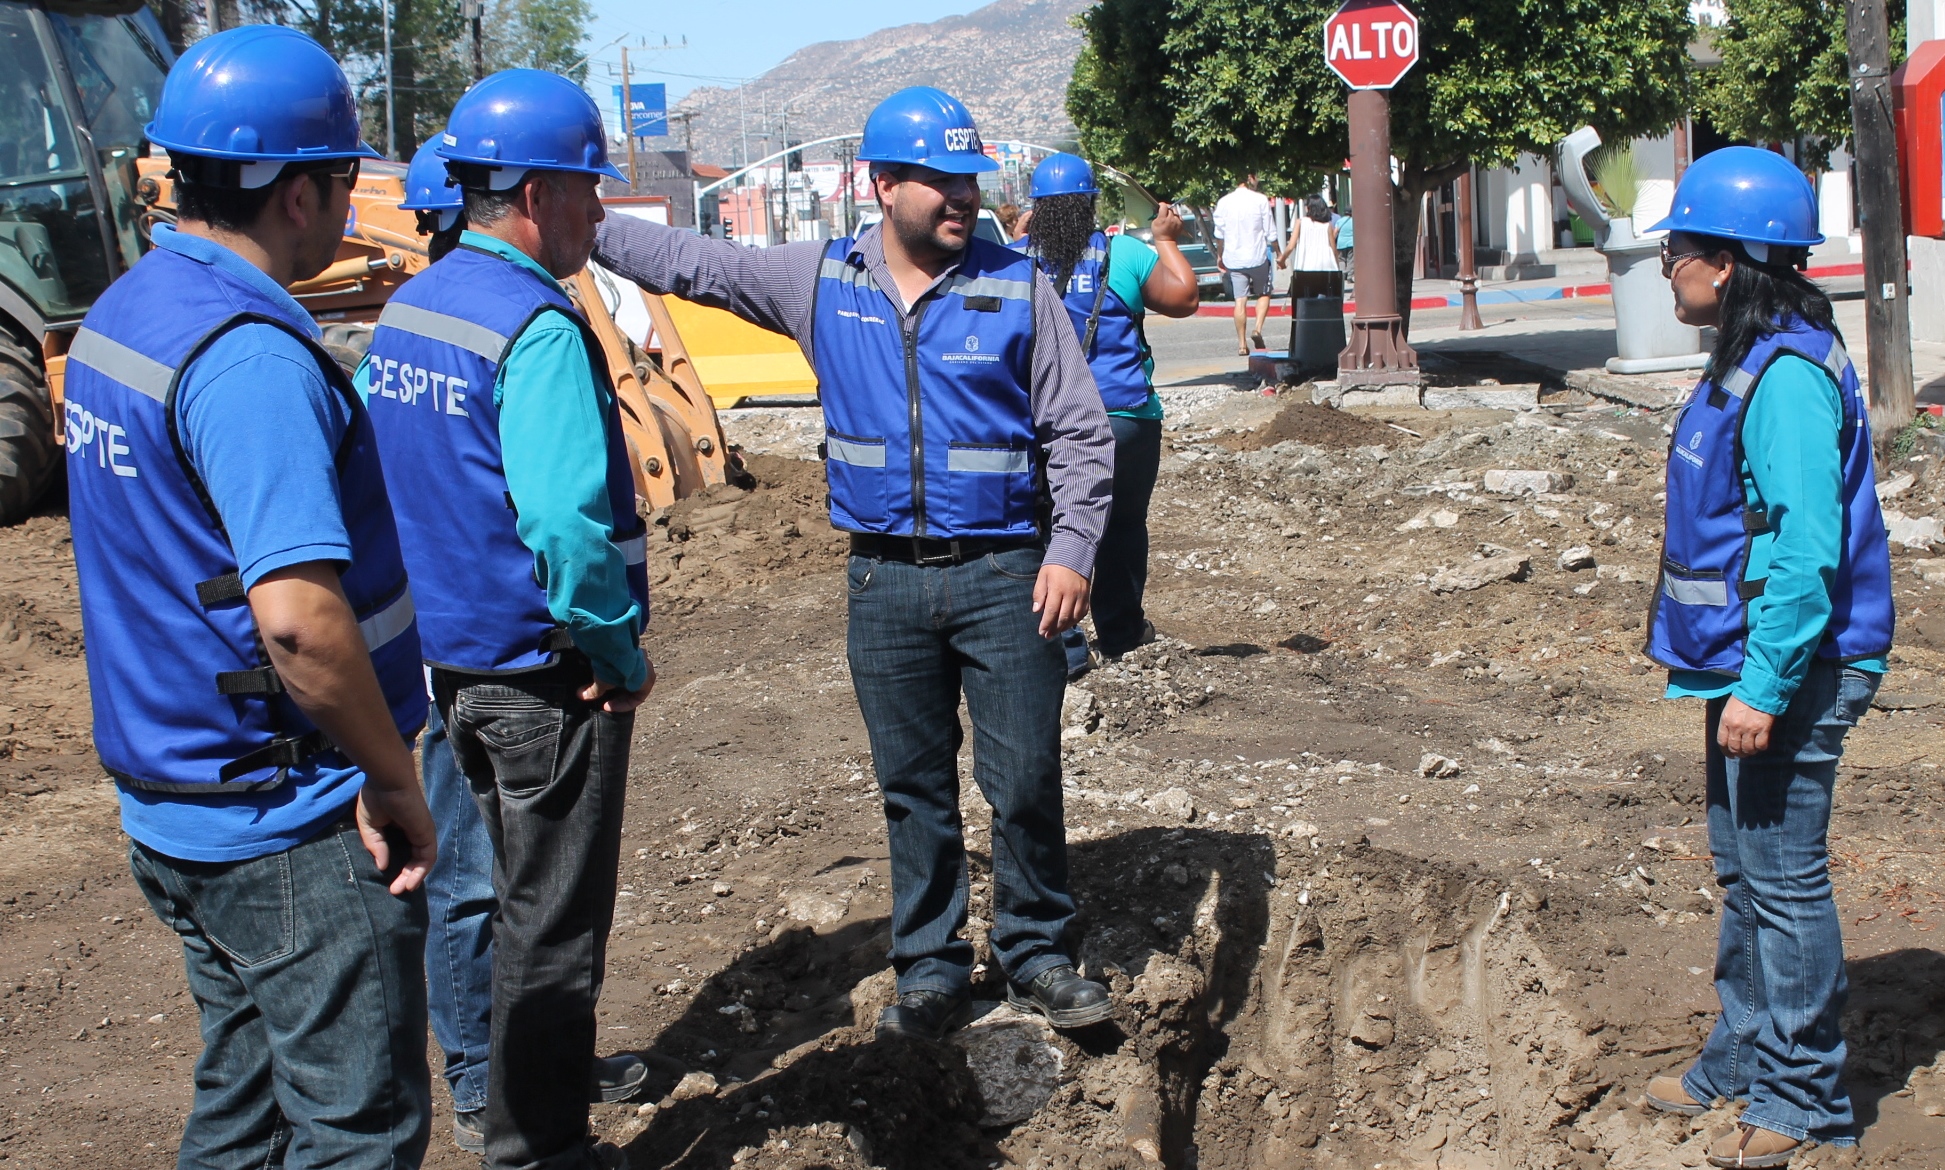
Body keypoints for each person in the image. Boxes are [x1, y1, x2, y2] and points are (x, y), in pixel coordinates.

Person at [591, 86, 1115, 1041]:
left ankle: (1036, 951)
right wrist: (579, 220)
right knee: (911, 785)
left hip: (1007, 574)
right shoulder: (818, 280)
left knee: (1025, 777)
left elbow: (1080, 433)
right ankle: (930, 968)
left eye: (969, 181)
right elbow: (694, 262)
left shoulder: (1017, 284)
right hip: (883, 581)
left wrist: (1072, 550)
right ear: (882, 185)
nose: (963, 199)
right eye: (941, 184)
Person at [63, 25, 436, 1168]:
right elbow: (295, 621)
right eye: (342, 178)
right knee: (354, 1127)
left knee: (247, 1101)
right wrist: (391, 775)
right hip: (287, 820)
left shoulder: (128, 313)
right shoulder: (251, 360)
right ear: (300, 193)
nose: (349, 200)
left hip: (174, 802)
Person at [361, 69, 654, 1170]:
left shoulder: (414, 307)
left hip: (446, 669)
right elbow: (567, 529)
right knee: (553, 928)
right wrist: (613, 647)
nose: (599, 212)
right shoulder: (535, 324)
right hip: (546, 677)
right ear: (535, 193)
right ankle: (537, 1147)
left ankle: (503, 1094)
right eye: (587, 189)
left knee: (485, 898)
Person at [1638, 146, 1895, 1169]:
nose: (1668, 269)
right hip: (1749, 666)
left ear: (1731, 263)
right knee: (1746, 873)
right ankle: (1743, 1058)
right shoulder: (1751, 357)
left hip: (1794, 667)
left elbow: (1804, 551)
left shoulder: (1785, 378)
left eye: (1678, 251)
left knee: (1784, 882)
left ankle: (1802, 1098)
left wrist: (1765, 685)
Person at [1013, 153, 1198, 679]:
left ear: (1036, 210)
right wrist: (1165, 239)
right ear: (1092, 203)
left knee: (1047, 529)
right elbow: (1184, 298)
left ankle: (1064, 648)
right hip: (1126, 418)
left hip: (1043, 423)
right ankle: (1120, 631)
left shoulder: (1012, 262)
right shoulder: (1124, 254)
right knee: (1121, 527)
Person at [1212, 171, 1276, 355]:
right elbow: (1270, 231)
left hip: (1235, 259)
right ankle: (1257, 329)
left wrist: (1220, 255)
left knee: (1240, 300)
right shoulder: (1261, 199)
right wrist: (1279, 253)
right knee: (1264, 293)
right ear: (1251, 178)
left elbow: (1219, 235)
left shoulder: (1223, 202)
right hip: (1257, 257)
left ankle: (1241, 344)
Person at [1279, 194, 1342, 300]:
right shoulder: (1327, 226)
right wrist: (1337, 267)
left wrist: (1282, 259)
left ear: (1309, 207)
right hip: (1326, 266)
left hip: (1306, 266)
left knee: (1306, 297)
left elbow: (1291, 246)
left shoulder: (1301, 222)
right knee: (1325, 297)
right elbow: (1333, 249)